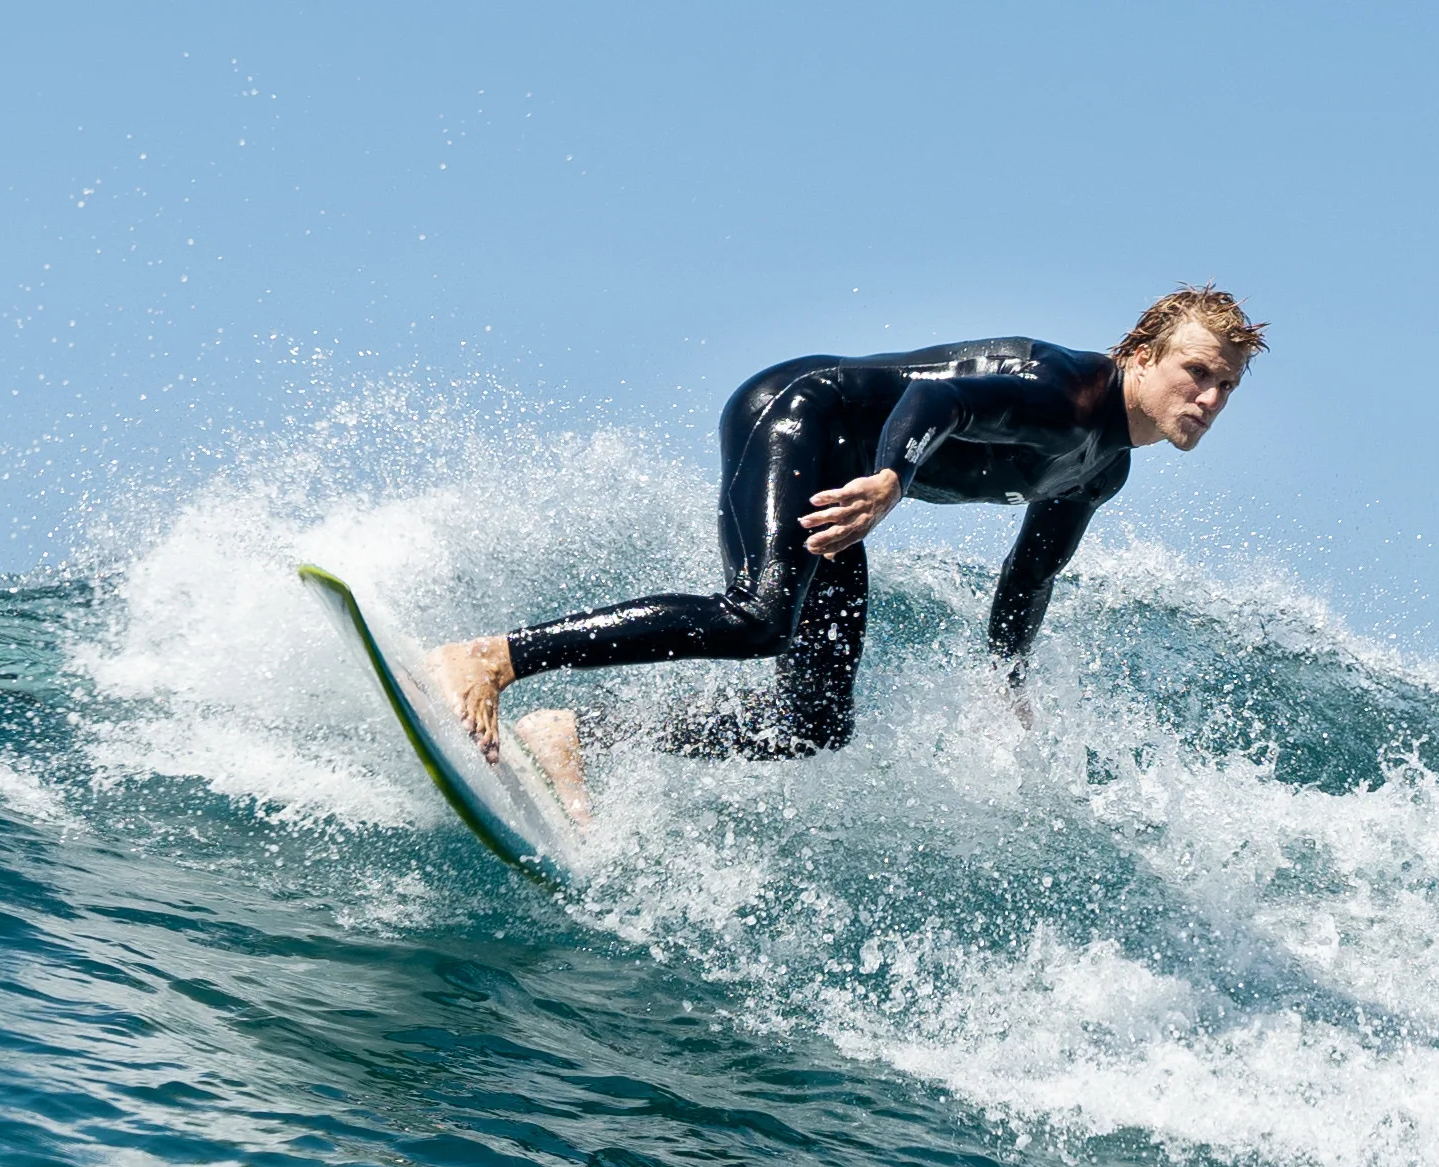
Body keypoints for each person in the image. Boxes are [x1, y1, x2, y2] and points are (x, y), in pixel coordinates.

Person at [429, 286, 1267, 820]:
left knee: (814, 723)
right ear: (1143, 358)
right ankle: (495, 657)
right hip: (802, 413)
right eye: (1197, 372)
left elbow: (1030, 575)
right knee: (757, 617)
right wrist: (895, 477)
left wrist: (1005, 678)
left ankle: (573, 732)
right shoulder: (1068, 395)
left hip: (846, 474)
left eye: (1226, 386)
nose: (1210, 396)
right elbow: (938, 400)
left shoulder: (1102, 468)